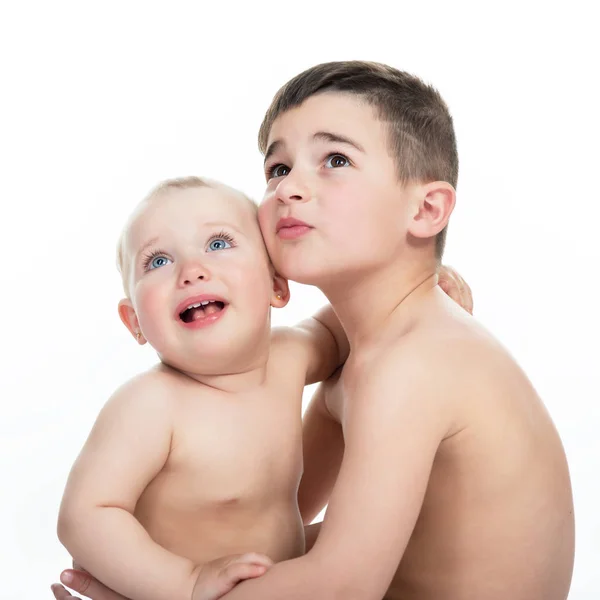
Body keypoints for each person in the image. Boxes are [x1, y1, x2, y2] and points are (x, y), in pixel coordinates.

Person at [54, 60, 574, 600]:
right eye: (277, 169)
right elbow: (272, 507)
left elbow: (341, 588)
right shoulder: (358, 359)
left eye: (334, 159)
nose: (289, 188)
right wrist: (151, 569)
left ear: (426, 208)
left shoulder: (414, 364)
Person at [56, 176, 352, 600]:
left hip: (281, 580)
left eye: (217, 243)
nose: (191, 271)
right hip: (186, 592)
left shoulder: (289, 355)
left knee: (408, 534)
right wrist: (186, 582)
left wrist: (412, 289)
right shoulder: (151, 404)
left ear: (276, 285)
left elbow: (339, 330)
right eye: (157, 261)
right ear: (135, 321)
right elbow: (84, 515)